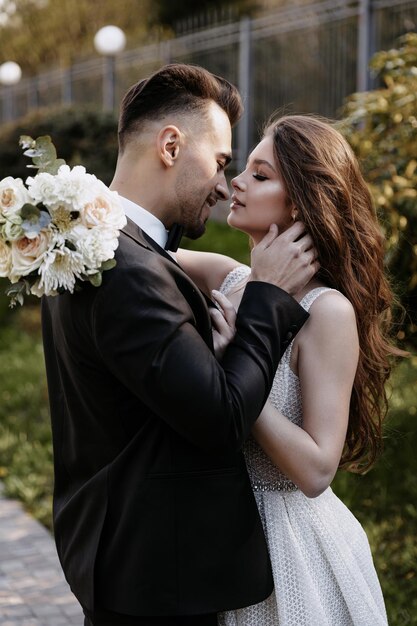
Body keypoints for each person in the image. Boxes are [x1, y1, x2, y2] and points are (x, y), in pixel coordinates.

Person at [41, 65, 319, 626]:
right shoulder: (127, 268)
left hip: (131, 559)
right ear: (171, 145)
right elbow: (221, 420)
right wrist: (266, 296)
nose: (225, 185)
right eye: (220, 161)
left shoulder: (92, 245)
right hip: (156, 578)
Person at [178, 114, 401, 625]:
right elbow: (133, 246)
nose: (235, 181)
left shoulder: (327, 311)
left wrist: (230, 373)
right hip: (218, 539)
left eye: (260, 175)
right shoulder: (224, 276)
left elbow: (318, 468)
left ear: (300, 201)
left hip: (292, 549)